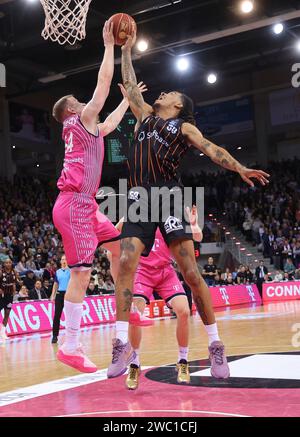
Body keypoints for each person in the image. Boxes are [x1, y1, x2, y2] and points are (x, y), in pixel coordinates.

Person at [107, 30, 270, 380]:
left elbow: (214, 150)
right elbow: (130, 83)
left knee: (192, 275)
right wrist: (125, 49)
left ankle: (215, 344)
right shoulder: (145, 115)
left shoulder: (183, 128)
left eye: (168, 93)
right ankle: (121, 343)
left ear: (179, 105)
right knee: (125, 262)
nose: (161, 93)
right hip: (138, 196)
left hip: (166, 197)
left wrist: (240, 168)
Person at [52, 22, 135, 373]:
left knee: (119, 248)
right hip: (73, 205)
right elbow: (101, 88)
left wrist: (128, 101)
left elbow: (110, 123)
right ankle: (70, 345)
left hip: (86, 205)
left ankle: (127, 306)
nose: (83, 101)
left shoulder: (88, 127)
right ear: (71, 110)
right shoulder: (80, 119)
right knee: (82, 275)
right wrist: (108, 46)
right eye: (77, 100)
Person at [123, 206, 202, 389]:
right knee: (136, 313)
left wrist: (194, 224)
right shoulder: (138, 212)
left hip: (165, 271)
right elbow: (116, 232)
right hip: (143, 271)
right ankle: (134, 364)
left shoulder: (174, 213)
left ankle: (182, 361)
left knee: (183, 310)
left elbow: (197, 237)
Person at [50, 255, 71, 344]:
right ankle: (55, 336)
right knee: (57, 315)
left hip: (68, 294)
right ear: (60, 261)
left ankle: (71, 336)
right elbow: (55, 284)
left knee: (70, 316)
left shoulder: (70, 271)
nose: (63, 260)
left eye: (65, 259)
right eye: (62, 259)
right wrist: (53, 294)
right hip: (59, 294)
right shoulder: (58, 272)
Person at [0, 259, 18, 340]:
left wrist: (14, 292)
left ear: (11, 263)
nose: (8, 264)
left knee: (7, 313)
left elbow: (14, 283)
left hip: (9, 296)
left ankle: (3, 332)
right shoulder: (1, 272)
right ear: (4, 264)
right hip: (1, 295)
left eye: (9, 262)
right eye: (6, 262)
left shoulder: (14, 272)